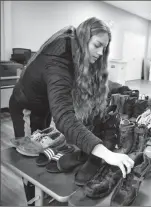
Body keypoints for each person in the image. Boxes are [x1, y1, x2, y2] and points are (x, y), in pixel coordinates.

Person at [9, 17, 134, 204]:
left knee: (45, 149)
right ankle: (33, 201)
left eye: (104, 48)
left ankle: (46, 197)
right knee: (30, 163)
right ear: (84, 38)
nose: (101, 53)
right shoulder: (57, 65)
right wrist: (107, 154)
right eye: (97, 45)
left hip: (44, 104)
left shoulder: (75, 47)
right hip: (25, 106)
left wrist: (119, 88)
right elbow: (64, 117)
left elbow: (94, 77)